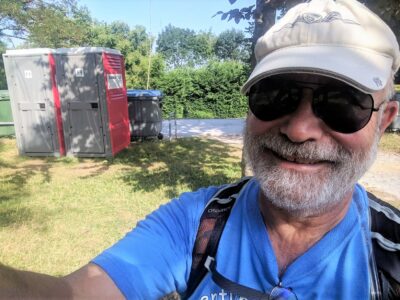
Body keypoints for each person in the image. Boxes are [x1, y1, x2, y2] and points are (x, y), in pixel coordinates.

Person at [1, 0, 399, 299]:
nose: (298, 129)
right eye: (276, 95)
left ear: (385, 119)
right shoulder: (198, 225)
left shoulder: (389, 257)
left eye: (343, 103)